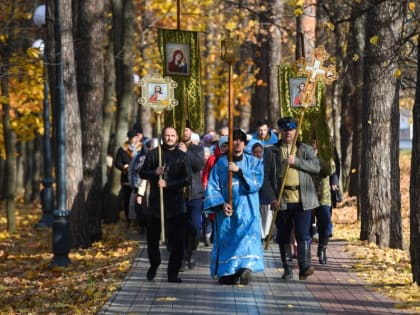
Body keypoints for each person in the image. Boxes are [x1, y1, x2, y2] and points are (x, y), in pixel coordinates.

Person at [262, 117, 320, 280]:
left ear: (296, 131)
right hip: (282, 200)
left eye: (292, 129)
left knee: (303, 235)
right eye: (285, 130)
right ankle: (287, 268)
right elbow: (265, 178)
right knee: (284, 236)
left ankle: (304, 267)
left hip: (303, 199)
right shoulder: (271, 151)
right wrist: (272, 198)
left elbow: (316, 167)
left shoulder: (305, 149)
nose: (288, 132)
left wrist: (297, 162)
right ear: (280, 131)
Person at [204, 129, 264, 285]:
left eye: (240, 140)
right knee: (229, 240)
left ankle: (246, 268)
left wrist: (240, 171)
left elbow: (257, 182)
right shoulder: (221, 163)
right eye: (234, 140)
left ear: (244, 144)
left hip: (248, 209)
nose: (237, 143)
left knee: (247, 238)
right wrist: (221, 204)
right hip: (228, 212)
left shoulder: (254, 162)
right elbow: (212, 187)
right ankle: (231, 272)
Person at [139, 126, 192, 283]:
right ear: (162, 137)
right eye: (167, 135)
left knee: (177, 242)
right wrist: (154, 173)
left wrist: (168, 184)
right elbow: (142, 172)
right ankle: (154, 264)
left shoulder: (182, 156)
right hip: (157, 205)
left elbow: (188, 179)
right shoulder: (154, 154)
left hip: (176, 204)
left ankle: (172, 273)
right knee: (152, 240)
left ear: (177, 137)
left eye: (173, 135)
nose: (170, 138)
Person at [178, 125, 205, 270]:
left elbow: (198, 165)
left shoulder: (197, 148)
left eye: (186, 129)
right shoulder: (173, 148)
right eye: (182, 129)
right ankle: (182, 257)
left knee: (195, 226)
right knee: (181, 228)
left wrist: (186, 152)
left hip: (194, 194)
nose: (184, 132)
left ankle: (192, 251)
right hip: (178, 194)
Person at [311, 139, 336, 265]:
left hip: (323, 197)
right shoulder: (304, 155)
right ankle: (304, 253)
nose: (314, 145)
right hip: (307, 196)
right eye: (312, 142)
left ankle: (322, 249)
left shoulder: (326, 158)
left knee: (325, 225)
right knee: (306, 228)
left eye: (316, 142)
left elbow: (331, 170)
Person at [201, 135, 228, 246]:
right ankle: (208, 235)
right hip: (213, 191)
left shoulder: (231, 160)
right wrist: (206, 189)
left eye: (228, 146)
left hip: (226, 192)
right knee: (211, 216)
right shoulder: (213, 159)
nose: (226, 148)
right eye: (224, 146)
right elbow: (206, 175)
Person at [115, 129, 142, 227]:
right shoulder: (122, 149)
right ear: (129, 139)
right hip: (126, 179)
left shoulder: (141, 148)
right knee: (127, 200)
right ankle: (128, 218)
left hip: (139, 179)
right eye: (133, 138)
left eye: (136, 138)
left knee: (138, 199)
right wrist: (123, 167)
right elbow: (117, 162)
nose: (135, 140)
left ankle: (138, 221)